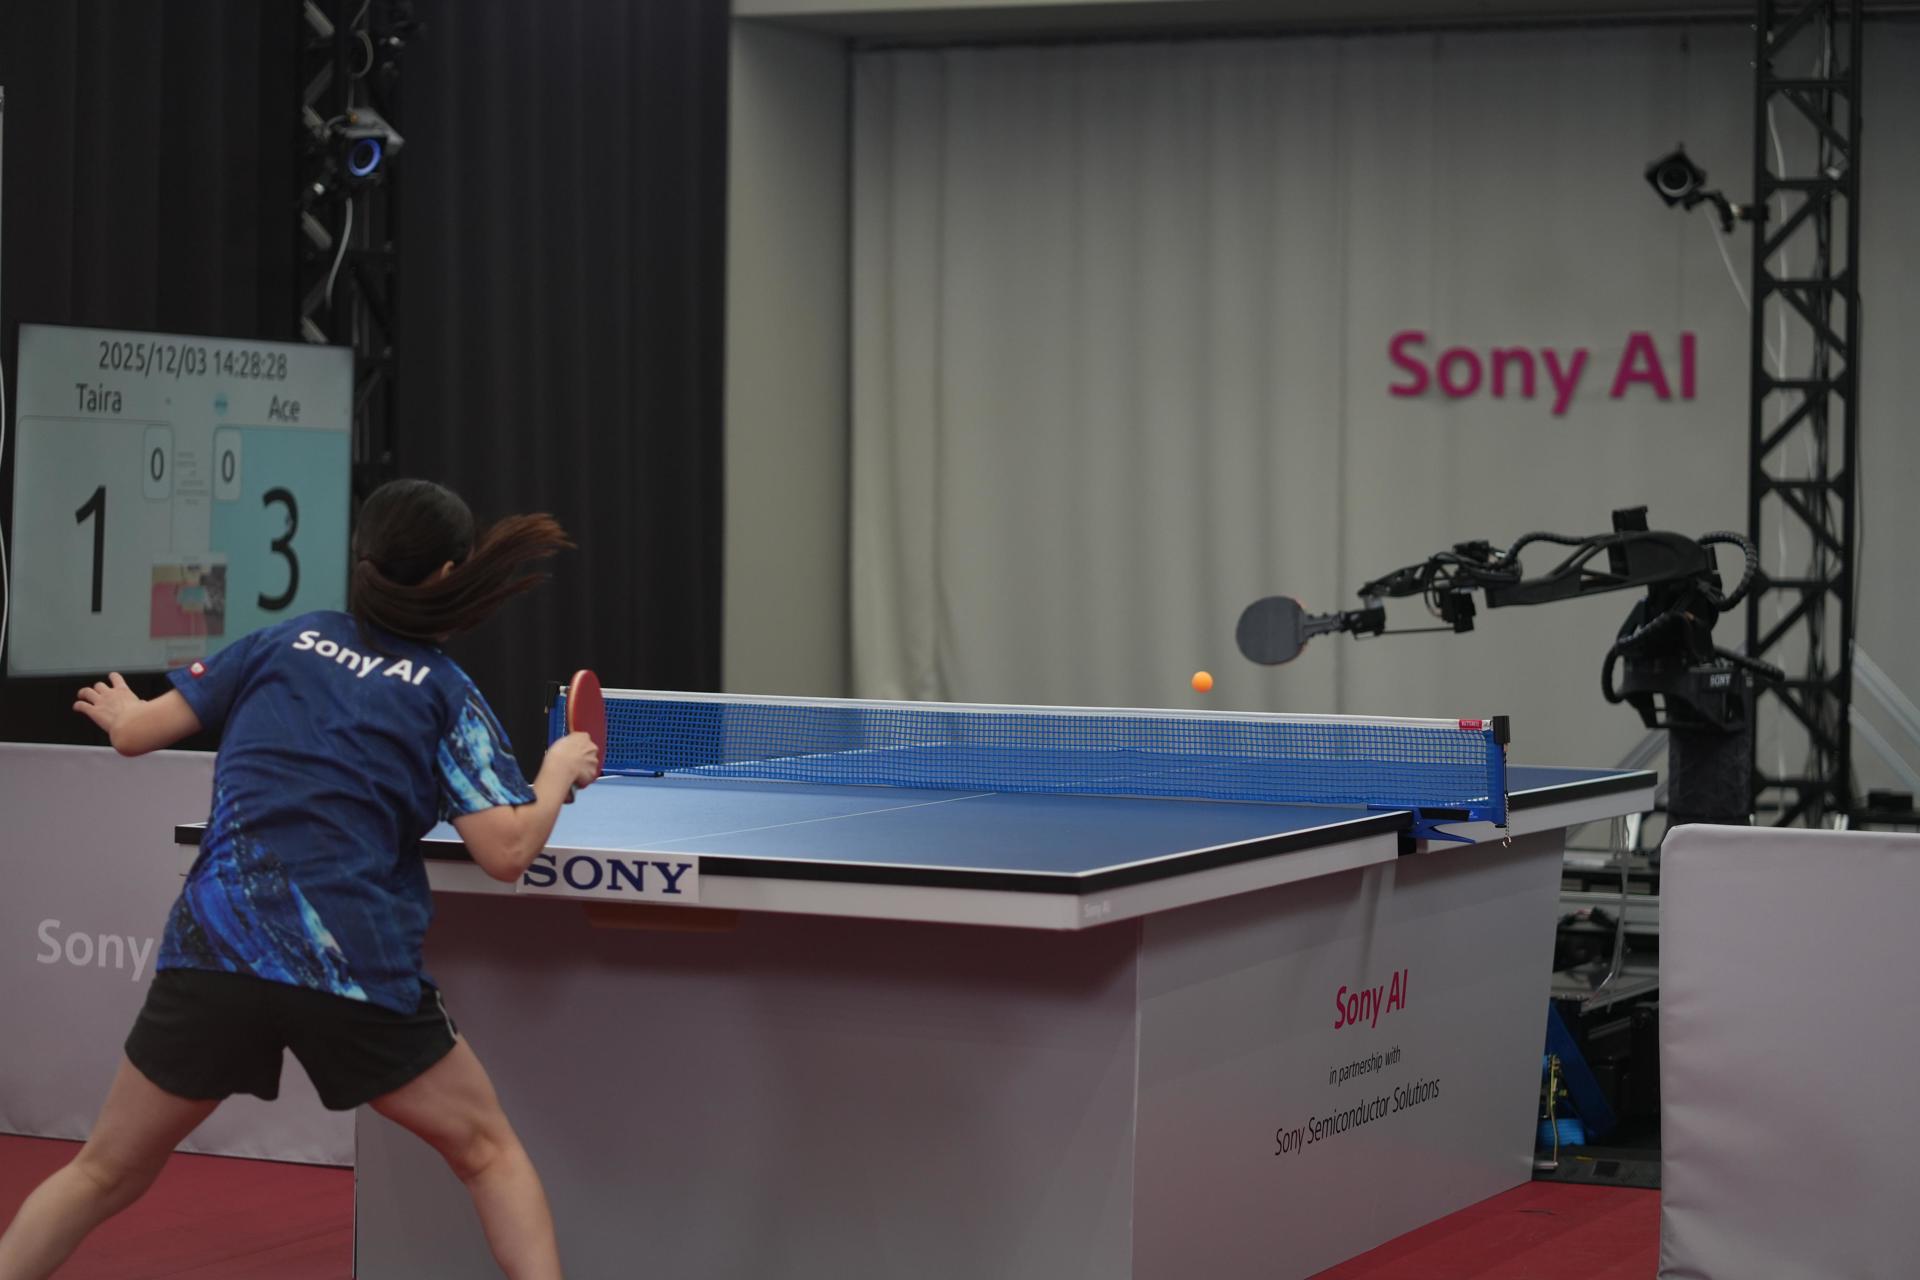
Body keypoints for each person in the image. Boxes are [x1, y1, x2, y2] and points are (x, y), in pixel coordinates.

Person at [0, 479, 596, 1280]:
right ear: (451, 574)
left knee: (102, 1171)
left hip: (217, 950)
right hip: (351, 967)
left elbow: (138, 733)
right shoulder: (445, 694)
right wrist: (557, 770)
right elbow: (507, 849)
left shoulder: (283, 640)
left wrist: (121, 711)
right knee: (489, 1155)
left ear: (363, 559)